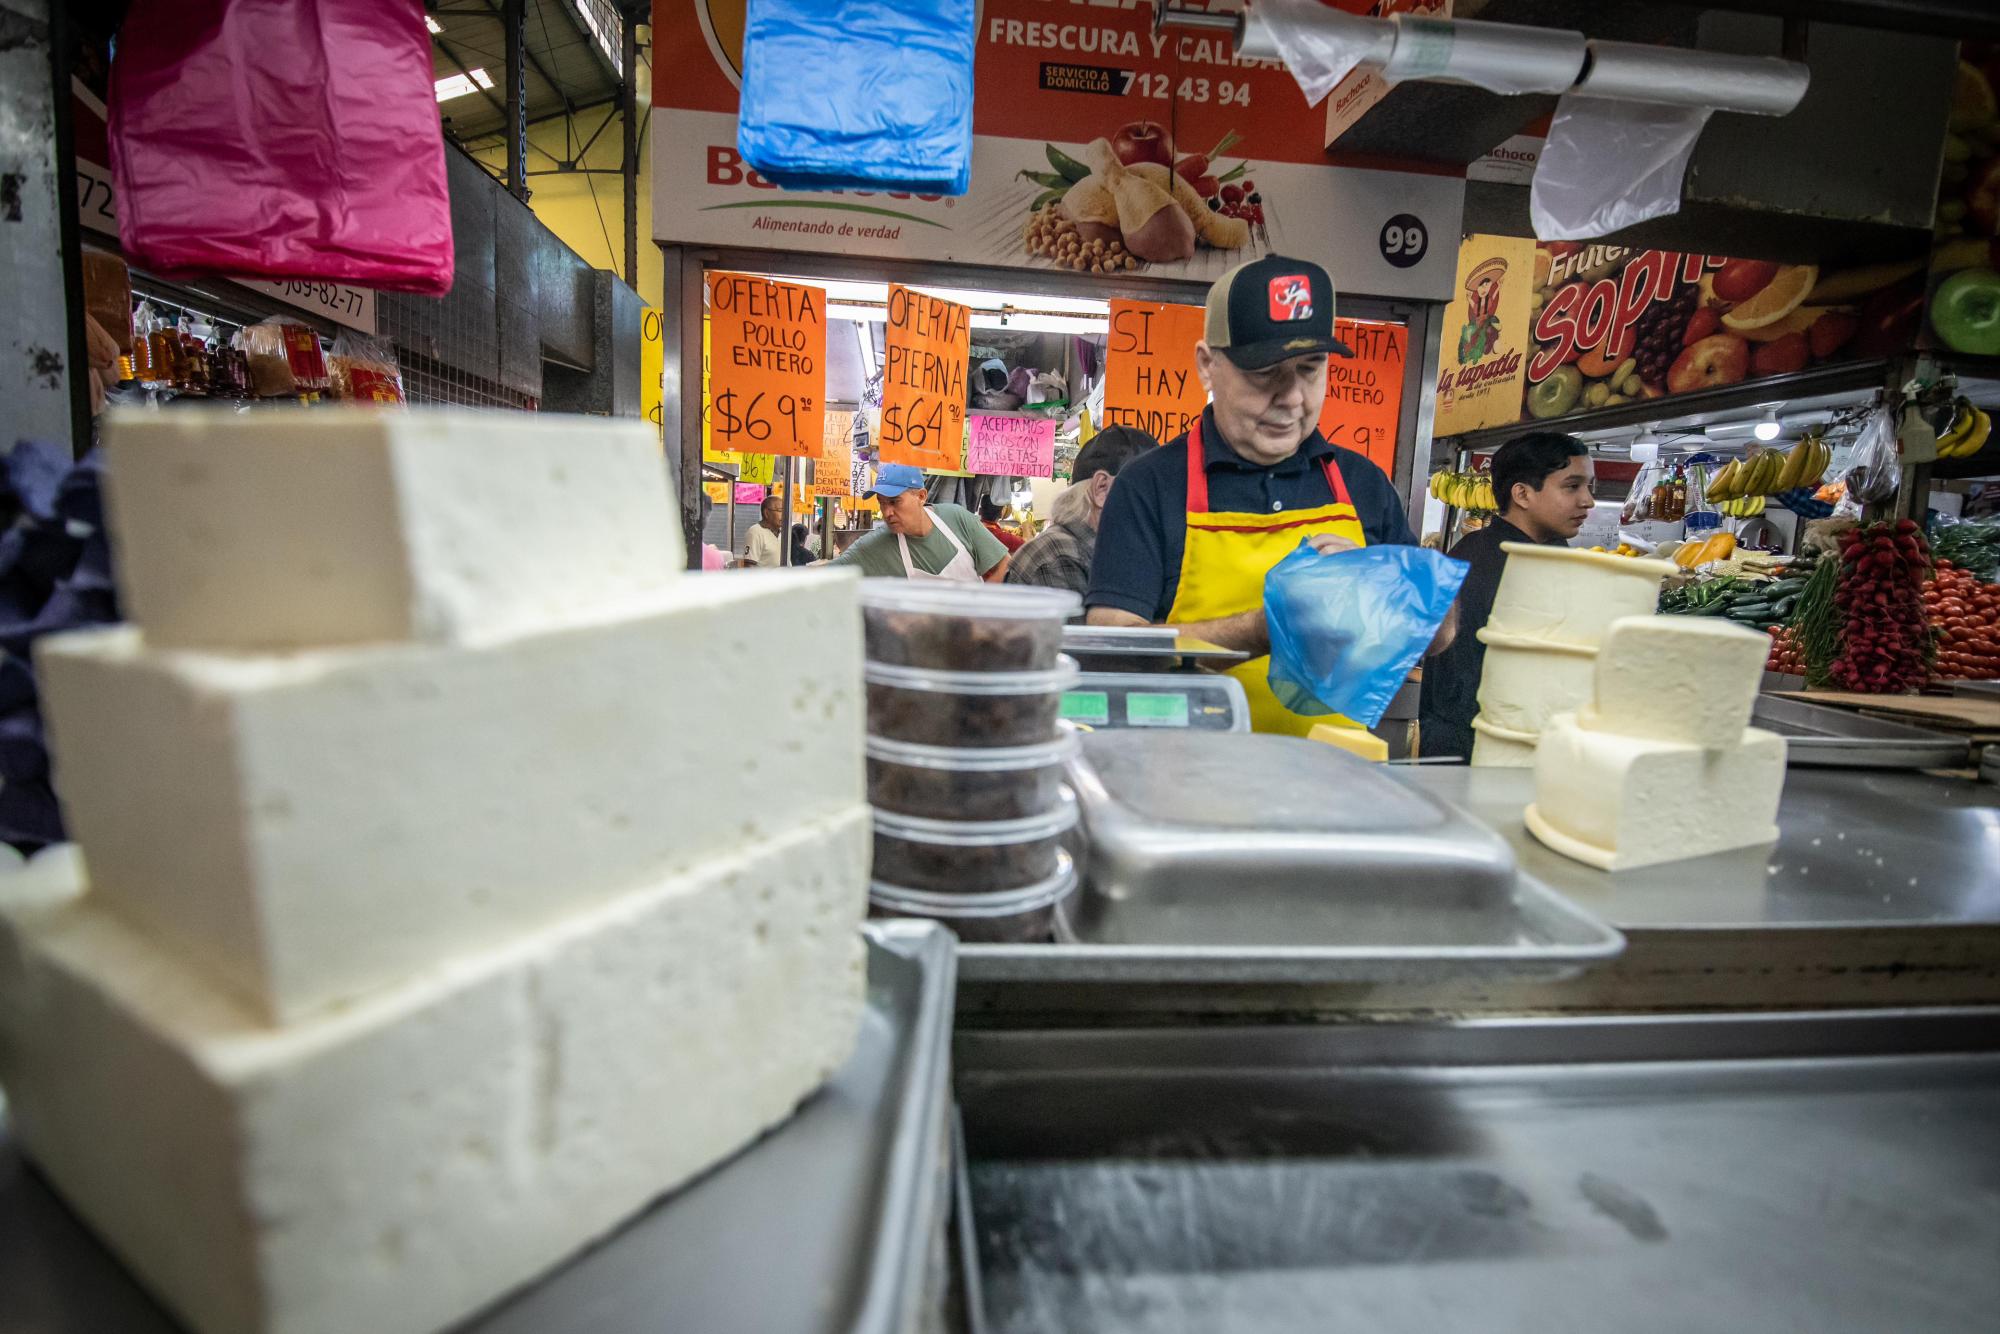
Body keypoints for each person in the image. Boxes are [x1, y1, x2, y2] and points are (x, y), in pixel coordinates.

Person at [1085, 254, 1450, 735]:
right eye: (1265, 372)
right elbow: (1112, 654)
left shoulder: (1361, 483)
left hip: (1332, 789)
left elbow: (1441, 632)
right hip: (1184, 788)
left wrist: (1384, 586)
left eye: (1310, 368)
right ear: (1207, 366)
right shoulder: (1150, 485)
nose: (1293, 397)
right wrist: (1266, 628)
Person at [1419, 431, 1595, 762]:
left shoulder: (1549, 553)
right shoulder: (1486, 559)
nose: (1587, 500)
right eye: (1572, 486)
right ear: (1522, 494)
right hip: (1474, 748)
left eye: (1590, 487)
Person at [1007, 426, 1156, 599]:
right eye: (1148, 493)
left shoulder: (1082, 550)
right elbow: (1098, 624)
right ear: (1101, 488)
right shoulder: (1059, 556)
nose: (1156, 508)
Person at [830, 463, 1011, 582]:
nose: (887, 512)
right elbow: (828, 574)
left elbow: (1004, 563)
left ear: (921, 496)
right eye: (882, 502)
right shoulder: (876, 545)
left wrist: (982, 611)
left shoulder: (956, 518)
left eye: (894, 501)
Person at [742, 493, 785, 568]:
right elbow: (749, 566)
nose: (784, 514)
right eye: (780, 511)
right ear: (766, 513)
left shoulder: (783, 533)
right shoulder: (755, 532)